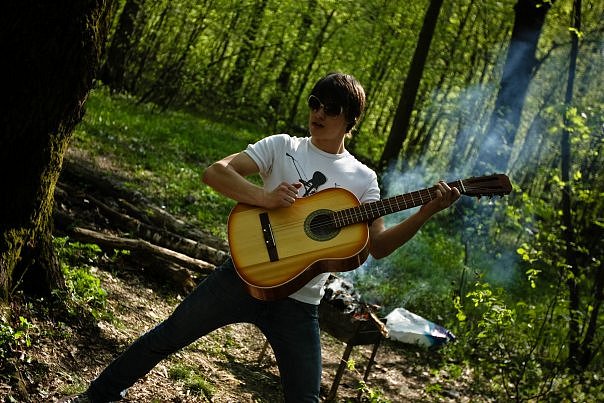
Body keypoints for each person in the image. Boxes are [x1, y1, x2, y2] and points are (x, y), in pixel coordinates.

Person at [62, 72, 460, 402]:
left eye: (331, 108)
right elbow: (215, 172)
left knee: (305, 398)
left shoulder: (363, 178)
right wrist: (264, 198)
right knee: (166, 337)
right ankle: (96, 395)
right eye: (314, 103)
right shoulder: (282, 146)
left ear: (350, 119)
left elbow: (378, 246)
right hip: (241, 276)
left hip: (299, 303)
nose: (318, 113)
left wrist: (425, 212)